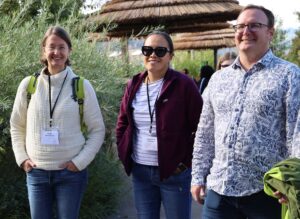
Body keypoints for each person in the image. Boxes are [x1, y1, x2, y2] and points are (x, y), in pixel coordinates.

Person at [191, 4, 300, 219]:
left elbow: (297, 134)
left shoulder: (289, 75)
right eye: (240, 26)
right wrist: (197, 176)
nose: (245, 31)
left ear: (271, 32)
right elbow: (205, 132)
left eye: (254, 25)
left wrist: (292, 181)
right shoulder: (218, 78)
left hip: (268, 193)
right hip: (219, 191)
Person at [10, 26, 105, 219]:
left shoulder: (81, 86)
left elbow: (97, 130)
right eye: (51, 47)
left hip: (70, 175)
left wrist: (79, 162)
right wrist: (22, 159)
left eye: (62, 47)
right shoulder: (28, 85)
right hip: (36, 173)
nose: (56, 52)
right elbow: (16, 125)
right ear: (44, 50)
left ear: (69, 50)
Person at [116, 30, 202, 219]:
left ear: (171, 55)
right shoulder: (134, 84)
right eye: (148, 50)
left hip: (175, 172)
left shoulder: (184, 85)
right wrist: (124, 153)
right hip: (141, 171)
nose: (153, 55)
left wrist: (185, 162)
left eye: (160, 51)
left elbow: (202, 128)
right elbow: (122, 123)